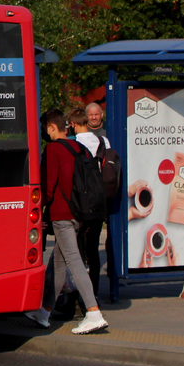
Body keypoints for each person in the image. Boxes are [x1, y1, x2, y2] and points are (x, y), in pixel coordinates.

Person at [25, 110, 110, 335]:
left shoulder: (53, 150)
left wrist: (39, 211)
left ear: (51, 127)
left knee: (73, 260)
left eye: (45, 128)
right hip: (80, 212)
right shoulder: (78, 148)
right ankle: (44, 312)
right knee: (59, 263)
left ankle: (93, 312)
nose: (44, 132)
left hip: (62, 214)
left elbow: (48, 186)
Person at [69, 108, 111, 305]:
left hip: (80, 204)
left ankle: (81, 297)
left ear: (75, 124)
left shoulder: (73, 144)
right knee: (93, 250)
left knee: (78, 252)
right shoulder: (104, 142)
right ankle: (94, 292)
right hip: (99, 201)